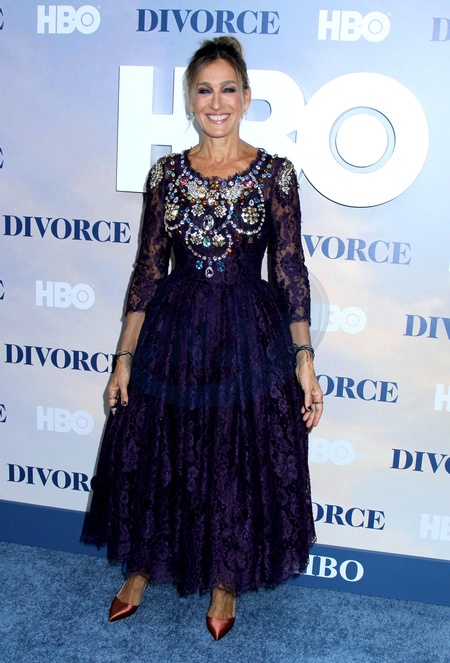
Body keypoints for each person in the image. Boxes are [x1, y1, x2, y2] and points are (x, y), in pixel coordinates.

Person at [81, 36, 323, 641]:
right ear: (191, 100)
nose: (217, 102)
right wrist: (123, 358)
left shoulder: (276, 175)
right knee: (160, 450)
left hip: (248, 335)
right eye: (205, 90)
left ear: (247, 97)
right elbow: (147, 270)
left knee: (232, 455)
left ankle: (225, 578)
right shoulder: (165, 175)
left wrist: (304, 358)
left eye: (228, 89)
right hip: (173, 333)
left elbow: (289, 269)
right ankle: (141, 567)